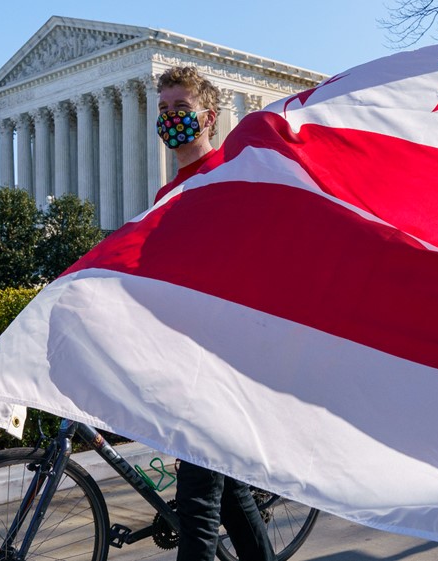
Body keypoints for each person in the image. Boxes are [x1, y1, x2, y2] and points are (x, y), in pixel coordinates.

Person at [152, 65, 275, 561]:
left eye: (181, 109)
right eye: (163, 111)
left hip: (225, 364)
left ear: (210, 116)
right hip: (191, 363)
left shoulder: (231, 174)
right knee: (232, 501)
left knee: (198, 513)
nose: (171, 119)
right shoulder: (167, 195)